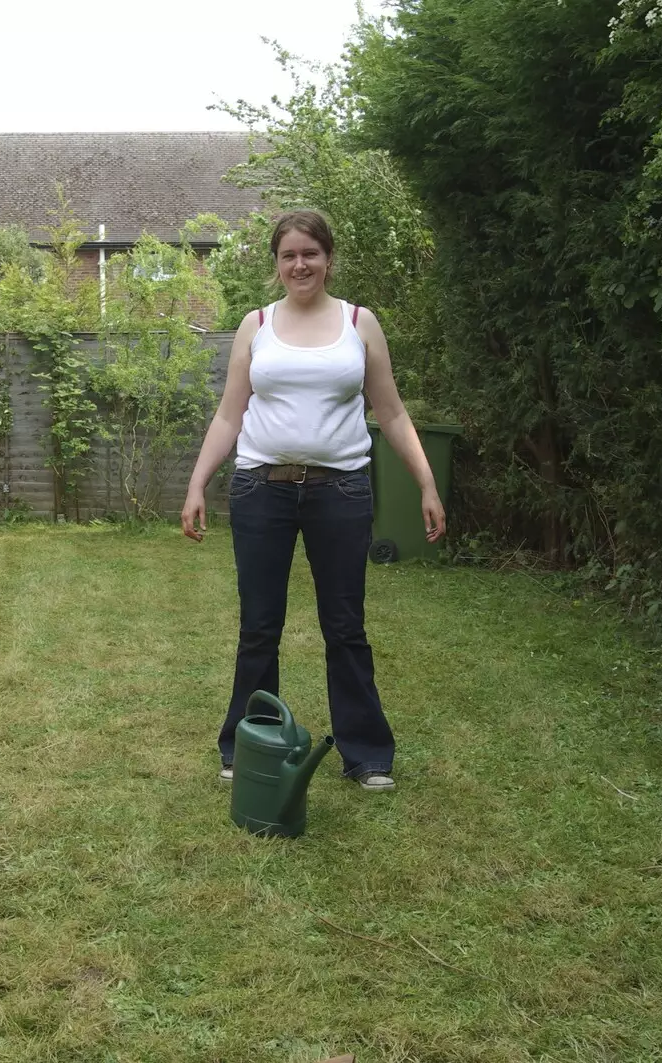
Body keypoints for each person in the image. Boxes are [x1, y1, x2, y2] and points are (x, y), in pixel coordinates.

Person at [180, 209, 445, 792]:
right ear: (276, 265)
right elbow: (231, 413)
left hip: (342, 490)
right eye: (288, 255)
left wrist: (426, 481)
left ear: (328, 258)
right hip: (259, 490)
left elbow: (392, 412)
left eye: (310, 253)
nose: (300, 264)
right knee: (259, 627)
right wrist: (198, 482)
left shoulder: (359, 323)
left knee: (345, 627)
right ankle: (248, 743)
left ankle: (367, 754)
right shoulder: (256, 325)